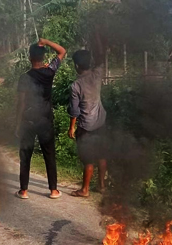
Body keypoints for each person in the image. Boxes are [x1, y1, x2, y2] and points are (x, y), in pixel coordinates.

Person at [15, 38, 66, 200]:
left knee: (25, 155)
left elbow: (21, 103)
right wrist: (47, 42)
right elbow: (62, 51)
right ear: (43, 58)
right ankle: (53, 190)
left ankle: (23, 190)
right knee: (49, 154)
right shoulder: (49, 72)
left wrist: (18, 123)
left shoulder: (24, 78)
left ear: (30, 57)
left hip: (28, 121)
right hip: (45, 120)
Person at [68, 39, 107, 198]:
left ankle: (84, 190)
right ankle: (102, 185)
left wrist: (72, 127)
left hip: (86, 126)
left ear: (77, 66)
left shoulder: (76, 85)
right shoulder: (97, 75)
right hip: (101, 122)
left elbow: (74, 110)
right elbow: (101, 57)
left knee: (88, 159)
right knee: (102, 155)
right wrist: (98, 38)